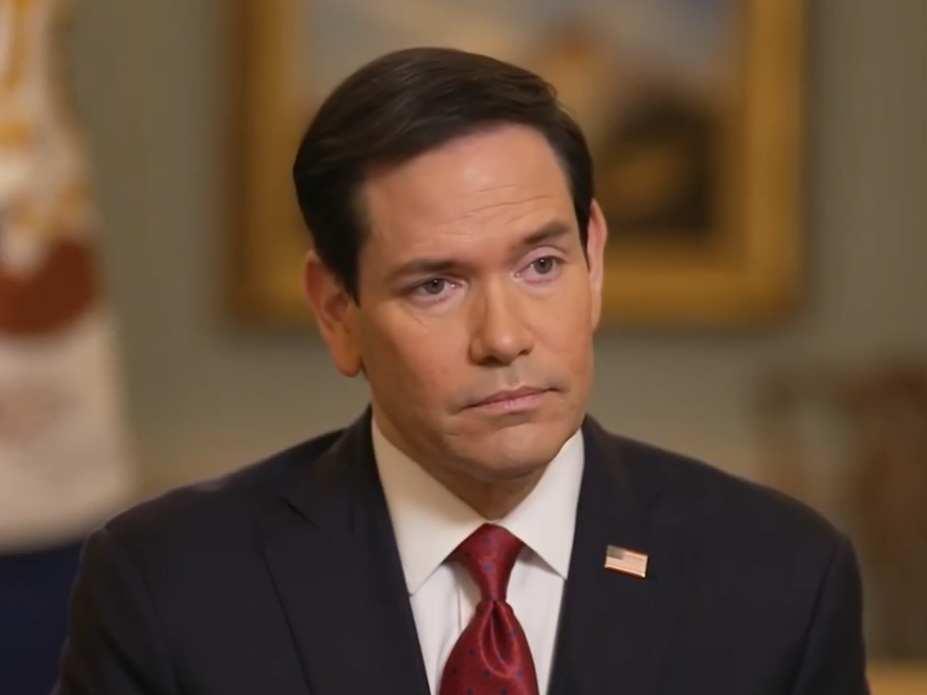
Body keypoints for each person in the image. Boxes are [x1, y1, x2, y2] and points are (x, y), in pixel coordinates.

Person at [53, 47, 869, 695]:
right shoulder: (167, 584)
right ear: (337, 309)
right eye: (435, 285)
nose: (503, 337)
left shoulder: (780, 576)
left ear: (593, 258)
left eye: (541, 265)